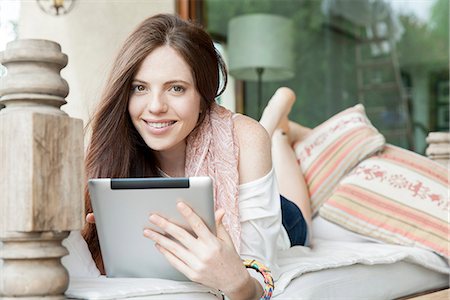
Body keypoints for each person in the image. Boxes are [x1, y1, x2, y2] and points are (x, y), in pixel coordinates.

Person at [82, 13, 311, 300]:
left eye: (176, 88)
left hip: (283, 217)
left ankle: (280, 130)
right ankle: (278, 129)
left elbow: (260, 271)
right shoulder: (113, 143)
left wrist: (240, 285)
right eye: (140, 88)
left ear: (204, 98)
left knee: (303, 211)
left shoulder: (246, 137)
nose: (154, 107)